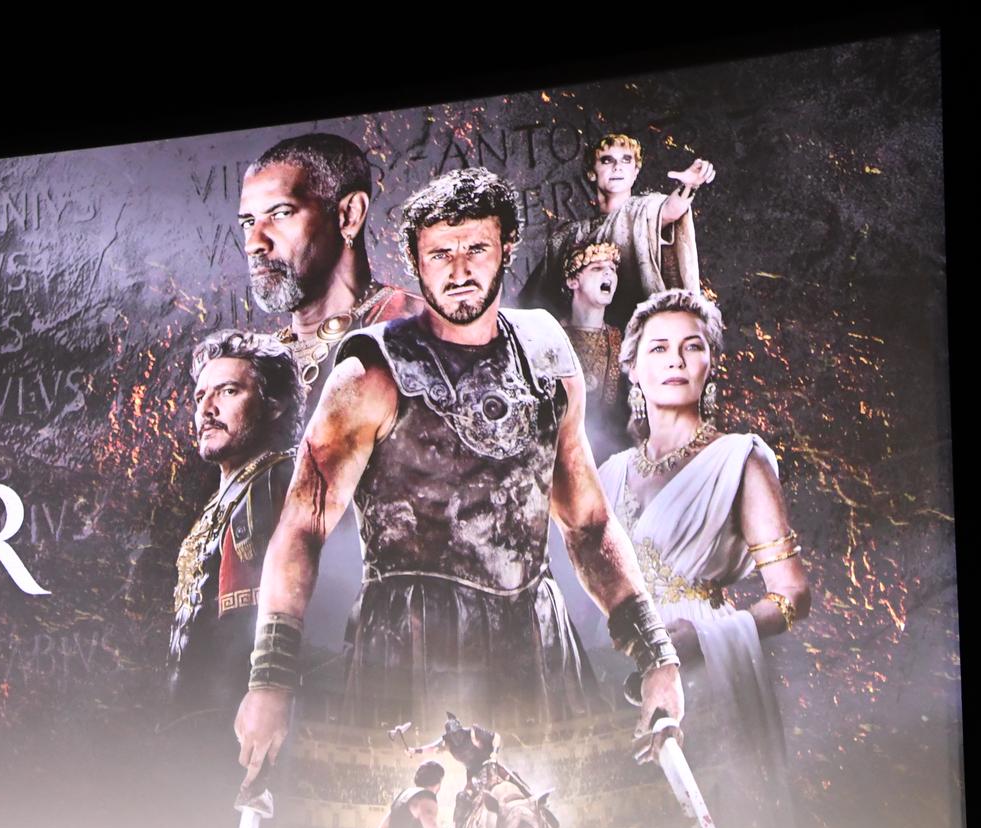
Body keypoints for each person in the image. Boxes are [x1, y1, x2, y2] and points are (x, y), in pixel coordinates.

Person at [234, 167, 684, 774]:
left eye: (476, 247)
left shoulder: (548, 355)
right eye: (439, 253)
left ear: (505, 250)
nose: (459, 267)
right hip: (410, 645)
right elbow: (302, 526)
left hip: (535, 643)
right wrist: (270, 676)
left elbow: (588, 523)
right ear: (417, 263)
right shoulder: (372, 370)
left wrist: (655, 652)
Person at [597, 289, 811, 828]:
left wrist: (706, 634)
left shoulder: (738, 461)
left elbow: (793, 595)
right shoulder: (608, 475)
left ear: (710, 363)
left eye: (692, 347)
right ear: (632, 366)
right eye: (659, 348)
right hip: (618, 674)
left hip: (709, 676)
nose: (675, 360)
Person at [169, 331, 306, 711]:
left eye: (228, 391)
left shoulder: (274, 483)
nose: (206, 409)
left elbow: (250, 628)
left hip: (233, 727)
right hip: (192, 726)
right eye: (200, 397)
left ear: (273, 405)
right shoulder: (230, 494)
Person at [238, 132, 421, 398]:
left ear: (349, 215)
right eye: (248, 222)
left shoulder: (427, 332)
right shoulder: (253, 368)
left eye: (280, 214)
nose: (253, 243)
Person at [528, 134, 716, 330]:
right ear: (592, 171)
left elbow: (669, 210)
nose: (617, 167)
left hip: (636, 343)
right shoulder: (567, 236)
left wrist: (690, 186)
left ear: (635, 172)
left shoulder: (642, 212)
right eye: (607, 160)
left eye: (626, 160)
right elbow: (535, 302)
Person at [559, 240, 629, 466]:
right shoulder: (551, 336)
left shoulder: (623, 340)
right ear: (573, 281)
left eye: (613, 270)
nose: (608, 273)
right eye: (597, 268)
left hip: (609, 458)